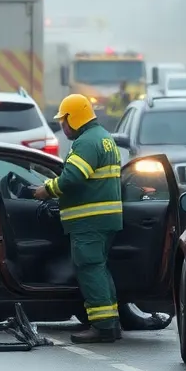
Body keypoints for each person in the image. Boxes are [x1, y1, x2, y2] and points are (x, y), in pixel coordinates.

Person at [32, 93, 124, 344]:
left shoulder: (86, 142)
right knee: (99, 269)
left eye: (64, 120)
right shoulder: (104, 138)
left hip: (90, 222)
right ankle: (111, 324)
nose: (62, 125)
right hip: (103, 220)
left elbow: (72, 177)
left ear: (74, 117)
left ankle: (103, 327)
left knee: (90, 270)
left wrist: (46, 190)